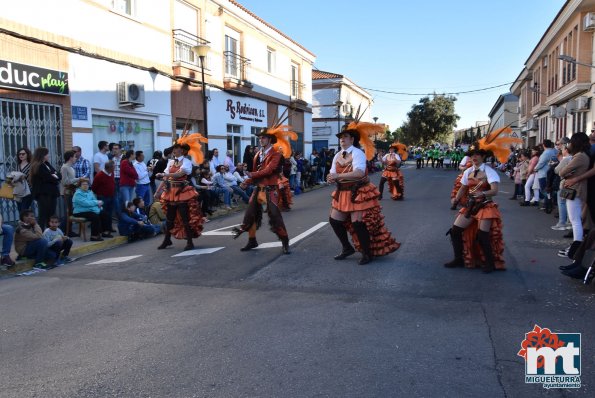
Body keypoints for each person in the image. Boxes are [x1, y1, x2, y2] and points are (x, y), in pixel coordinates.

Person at [445, 128, 520, 273]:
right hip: (470, 205)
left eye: (478, 154)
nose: (474, 157)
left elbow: (495, 190)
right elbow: (463, 187)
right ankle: (458, 259)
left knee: (483, 236)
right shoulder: (468, 171)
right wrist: (455, 199)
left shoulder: (489, 171)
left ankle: (490, 263)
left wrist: (482, 193)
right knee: (455, 231)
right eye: (472, 155)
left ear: (483, 157)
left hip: (485, 206)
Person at [327, 121, 400, 265]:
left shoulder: (358, 153)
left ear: (352, 139)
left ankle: (367, 253)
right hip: (342, 192)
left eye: (345, 136)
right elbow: (332, 172)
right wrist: (330, 178)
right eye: (341, 137)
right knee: (334, 220)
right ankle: (347, 248)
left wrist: (337, 177)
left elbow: (359, 173)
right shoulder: (337, 155)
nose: (342, 139)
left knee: (358, 224)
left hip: (357, 192)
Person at [232, 124, 294, 254]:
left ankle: (285, 242)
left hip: (271, 189)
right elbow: (256, 171)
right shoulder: (257, 155)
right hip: (258, 189)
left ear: (270, 139)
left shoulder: (276, 154)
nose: (261, 140)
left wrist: (251, 175)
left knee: (275, 216)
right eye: (260, 138)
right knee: (250, 215)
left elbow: (269, 170)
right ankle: (252, 240)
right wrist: (247, 182)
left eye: (263, 138)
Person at [155, 134, 206, 251]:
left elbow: (179, 174)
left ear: (182, 150)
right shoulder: (171, 162)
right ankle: (167, 240)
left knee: (184, 217)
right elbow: (166, 178)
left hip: (182, 192)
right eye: (174, 148)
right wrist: (158, 191)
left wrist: (165, 174)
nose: (174, 150)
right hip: (170, 192)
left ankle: (189, 241)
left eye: (176, 148)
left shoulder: (187, 162)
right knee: (169, 218)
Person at [29, 147, 61, 229]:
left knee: (51, 214)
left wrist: (55, 176)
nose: (49, 155)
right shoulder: (38, 166)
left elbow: (59, 175)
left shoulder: (47, 164)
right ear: (42, 155)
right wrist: (54, 176)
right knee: (43, 214)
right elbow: (48, 178)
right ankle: (40, 233)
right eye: (47, 154)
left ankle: (50, 232)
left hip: (52, 193)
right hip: (43, 194)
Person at [91, 160, 116, 232]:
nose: (114, 169)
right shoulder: (99, 175)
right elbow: (94, 187)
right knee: (104, 213)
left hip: (111, 195)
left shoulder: (112, 173)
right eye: (113, 168)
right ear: (109, 168)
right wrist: (99, 194)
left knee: (110, 213)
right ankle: (104, 229)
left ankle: (109, 227)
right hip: (103, 197)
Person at [15, 147, 33, 211]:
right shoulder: (18, 165)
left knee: (24, 209)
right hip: (18, 191)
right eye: (19, 154)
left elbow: (33, 178)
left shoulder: (31, 165)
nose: (21, 155)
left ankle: (26, 220)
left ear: (27, 154)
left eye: (23, 154)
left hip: (28, 190)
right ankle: (22, 221)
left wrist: (24, 177)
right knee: (19, 209)